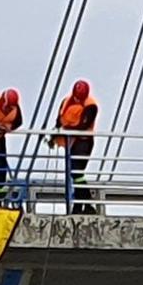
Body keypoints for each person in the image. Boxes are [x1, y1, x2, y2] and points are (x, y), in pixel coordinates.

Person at [49, 79, 100, 214]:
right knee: (75, 174)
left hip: (84, 142)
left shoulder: (91, 106)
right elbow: (59, 120)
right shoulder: (66, 102)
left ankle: (85, 204)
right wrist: (54, 136)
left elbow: (83, 126)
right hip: (72, 142)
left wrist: (67, 127)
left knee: (76, 172)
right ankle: (80, 205)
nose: (78, 99)